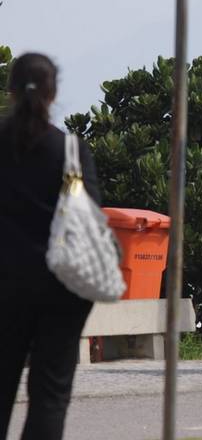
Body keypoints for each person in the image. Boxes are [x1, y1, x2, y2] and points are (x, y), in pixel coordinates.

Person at [0, 53, 101, 439]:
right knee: (50, 394)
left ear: (10, 91)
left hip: (4, 286)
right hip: (60, 288)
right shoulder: (69, 152)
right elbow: (90, 217)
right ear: (53, 93)